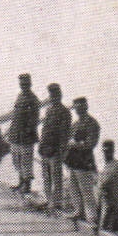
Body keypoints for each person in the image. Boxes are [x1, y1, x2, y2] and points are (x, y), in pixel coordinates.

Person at [64, 97, 101, 225]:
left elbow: (91, 143)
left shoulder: (92, 123)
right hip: (72, 161)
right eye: (76, 107)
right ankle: (78, 211)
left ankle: (91, 218)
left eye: (80, 107)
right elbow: (67, 139)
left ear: (86, 107)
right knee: (73, 188)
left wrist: (74, 144)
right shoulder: (75, 124)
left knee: (86, 191)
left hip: (84, 161)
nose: (78, 109)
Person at [37, 84, 71, 213]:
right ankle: (49, 199)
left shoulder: (64, 112)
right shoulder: (49, 110)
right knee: (46, 176)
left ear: (59, 96)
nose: (52, 98)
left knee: (56, 177)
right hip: (46, 149)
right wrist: (41, 145)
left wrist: (62, 151)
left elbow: (64, 134)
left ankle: (56, 202)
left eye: (55, 95)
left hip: (55, 150)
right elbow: (45, 129)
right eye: (51, 95)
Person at [6, 74, 41, 196]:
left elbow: (35, 118)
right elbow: (15, 115)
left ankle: (27, 185)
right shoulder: (20, 96)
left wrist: (28, 131)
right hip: (16, 134)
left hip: (26, 136)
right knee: (17, 160)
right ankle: (21, 182)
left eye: (25, 84)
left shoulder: (33, 99)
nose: (23, 86)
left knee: (26, 161)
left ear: (30, 84)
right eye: (21, 84)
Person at [95, 140, 118, 232]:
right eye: (105, 151)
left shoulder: (117, 165)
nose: (107, 154)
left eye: (109, 151)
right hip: (106, 197)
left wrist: (116, 195)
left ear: (113, 151)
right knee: (99, 194)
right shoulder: (105, 165)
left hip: (114, 197)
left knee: (103, 198)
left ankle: (103, 226)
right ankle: (99, 224)